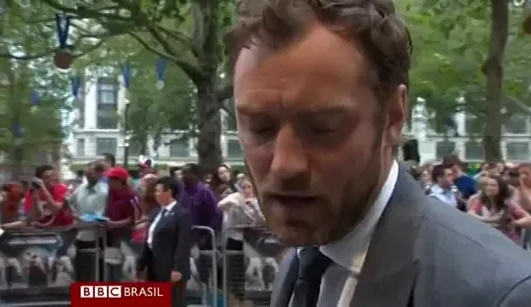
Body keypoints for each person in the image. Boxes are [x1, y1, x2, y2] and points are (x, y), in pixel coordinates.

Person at [228, 1, 531, 306]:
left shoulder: (498, 294)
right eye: (259, 127)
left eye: (323, 128)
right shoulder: (302, 263)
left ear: (394, 116)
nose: (285, 165)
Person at [137, 176, 191, 307]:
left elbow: (183, 243)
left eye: (158, 190)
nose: (155, 193)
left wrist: (178, 268)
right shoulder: (156, 213)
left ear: (169, 192)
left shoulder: (181, 214)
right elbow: (149, 240)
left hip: (171, 266)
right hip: (153, 265)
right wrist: (141, 265)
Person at [178, 163, 221, 285]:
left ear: (195, 175)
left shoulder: (205, 192)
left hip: (201, 241)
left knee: (201, 274)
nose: (183, 176)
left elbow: (215, 216)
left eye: (186, 173)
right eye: (182, 173)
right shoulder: (181, 191)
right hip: (184, 238)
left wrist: (205, 237)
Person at [67, 161, 108, 281]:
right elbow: (68, 201)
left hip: (97, 237)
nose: (88, 176)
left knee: (96, 271)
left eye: (91, 173)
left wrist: (81, 218)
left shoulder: (104, 192)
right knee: (80, 270)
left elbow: (99, 216)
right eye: (87, 174)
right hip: (79, 237)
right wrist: (73, 212)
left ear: (100, 174)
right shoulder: (80, 188)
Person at [467, 176, 529, 244]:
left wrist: (514, 223)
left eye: (493, 185)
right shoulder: (480, 200)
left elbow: (528, 218)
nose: (489, 187)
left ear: (500, 188)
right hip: (488, 238)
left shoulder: (509, 204)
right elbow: (470, 213)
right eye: (487, 185)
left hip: (507, 241)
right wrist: (485, 220)